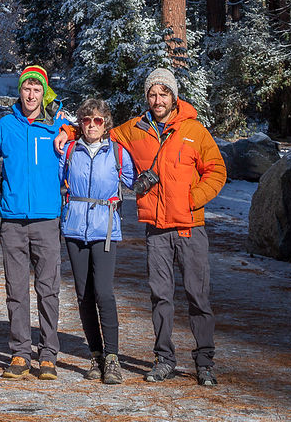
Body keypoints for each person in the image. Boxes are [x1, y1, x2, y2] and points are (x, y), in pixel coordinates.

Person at [111, 67, 226, 387]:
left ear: (173, 96)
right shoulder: (135, 129)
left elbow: (216, 170)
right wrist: (70, 131)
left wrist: (193, 199)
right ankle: (164, 359)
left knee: (198, 297)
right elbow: (101, 131)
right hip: (157, 230)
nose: (157, 99)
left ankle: (204, 362)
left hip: (190, 227)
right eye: (152, 93)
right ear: (146, 97)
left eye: (163, 93)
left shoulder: (195, 130)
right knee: (160, 297)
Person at [0, 65, 67, 381]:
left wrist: (69, 132)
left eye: (37, 89)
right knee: (16, 290)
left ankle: (48, 354)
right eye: (26, 88)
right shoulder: (5, 126)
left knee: (48, 289)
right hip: (12, 222)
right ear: (20, 91)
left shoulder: (57, 125)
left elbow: (90, 137)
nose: (31, 94)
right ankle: (20, 353)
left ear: (44, 92)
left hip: (47, 221)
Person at [58, 97, 135, 385]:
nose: (92, 125)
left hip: (105, 228)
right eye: (87, 120)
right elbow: (56, 178)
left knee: (104, 292)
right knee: (83, 294)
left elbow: (132, 178)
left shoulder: (117, 152)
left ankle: (112, 358)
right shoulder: (69, 150)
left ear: (106, 124)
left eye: (98, 120)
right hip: (75, 228)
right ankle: (96, 354)